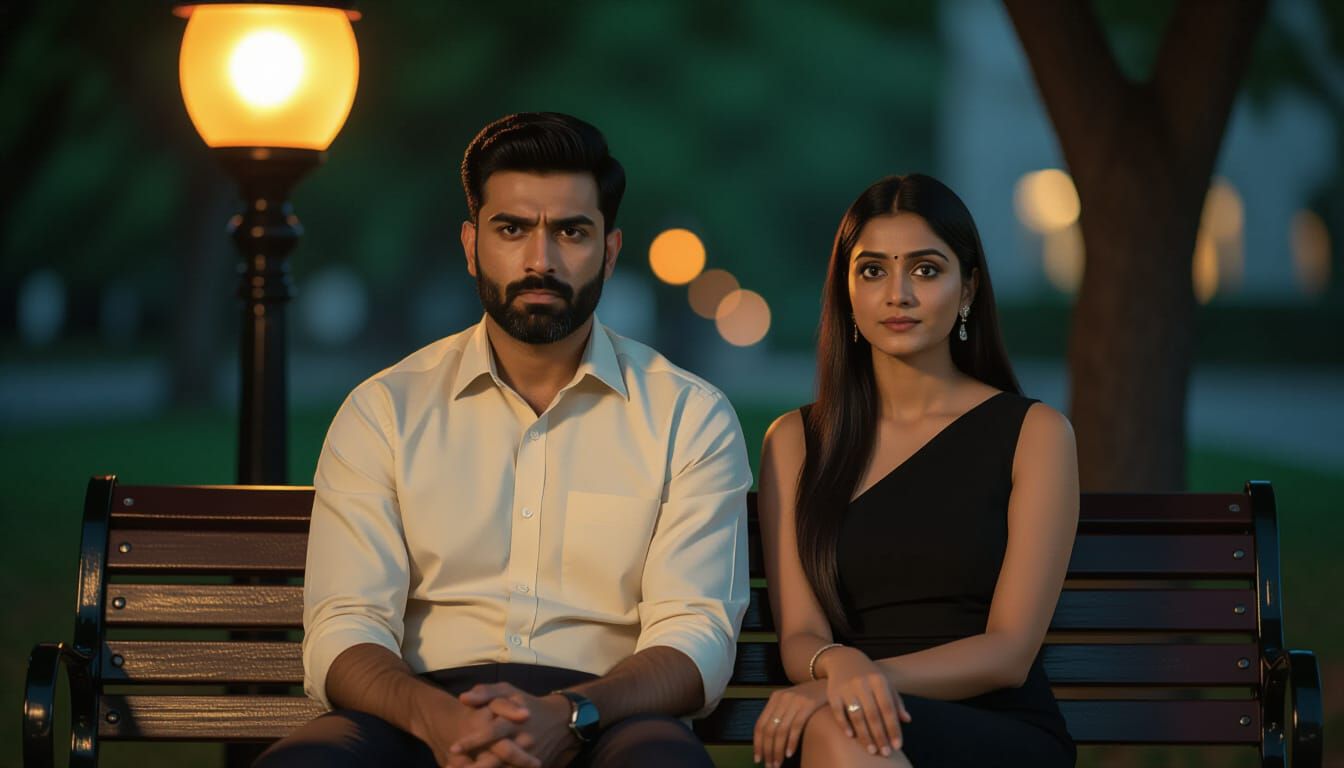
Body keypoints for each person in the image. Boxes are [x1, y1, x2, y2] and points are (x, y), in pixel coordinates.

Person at [255, 112, 751, 768]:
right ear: (471, 245)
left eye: (571, 231)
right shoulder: (385, 411)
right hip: (414, 713)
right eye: (512, 229)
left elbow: (696, 636)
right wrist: (440, 722)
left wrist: (571, 715)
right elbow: (345, 626)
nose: (539, 260)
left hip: (610, 719)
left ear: (610, 250)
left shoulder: (688, 417)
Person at [751, 174, 1079, 767]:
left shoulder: (1035, 434)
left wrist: (854, 682)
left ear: (969, 288)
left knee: (841, 729)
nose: (897, 293)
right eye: (872, 270)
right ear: (846, 291)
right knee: (842, 732)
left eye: (925, 270)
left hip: (995, 729)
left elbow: (1008, 652)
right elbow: (800, 632)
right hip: (844, 718)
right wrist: (837, 668)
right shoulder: (796, 441)